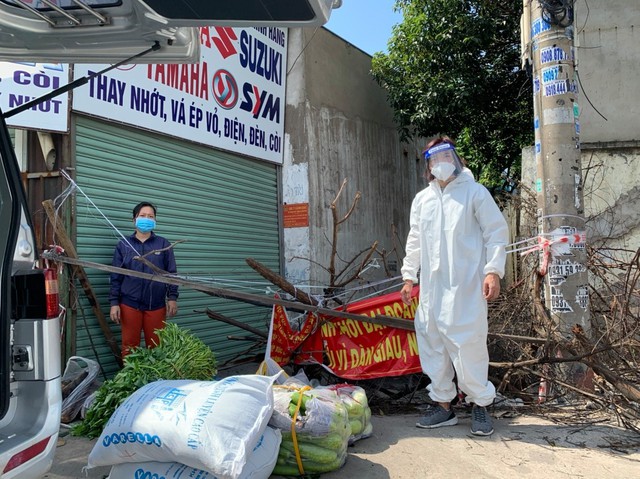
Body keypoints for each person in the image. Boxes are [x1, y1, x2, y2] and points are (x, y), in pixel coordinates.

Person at [400, 136, 508, 436]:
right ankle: (443, 406)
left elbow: (496, 232)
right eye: (434, 159)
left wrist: (493, 271)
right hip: (433, 290)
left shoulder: (475, 193)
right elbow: (415, 240)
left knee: (469, 345)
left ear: (456, 159)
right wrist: (409, 276)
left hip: (466, 287)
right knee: (432, 344)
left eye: (446, 156)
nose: (440, 163)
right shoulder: (423, 200)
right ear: (428, 165)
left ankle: (480, 406)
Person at [109, 201, 179, 358]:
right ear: (134, 219)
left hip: (156, 305)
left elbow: (171, 273)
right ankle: (130, 381)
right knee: (129, 347)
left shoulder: (163, 244)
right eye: (142, 216)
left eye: (150, 216)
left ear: (155, 221)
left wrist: (172, 298)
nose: (146, 219)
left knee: (156, 347)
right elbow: (115, 276)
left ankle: (156, 381)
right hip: (129, 304)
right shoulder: (123, 245)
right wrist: (114, 303)